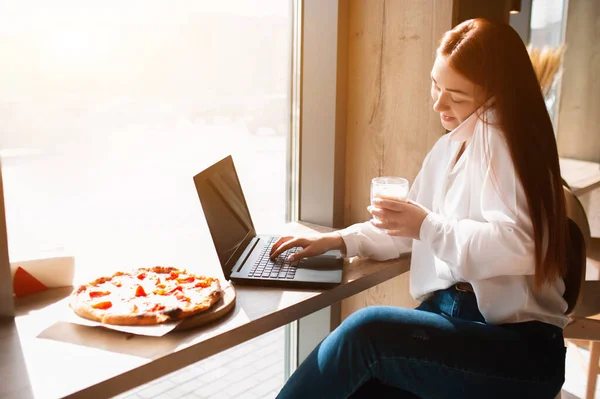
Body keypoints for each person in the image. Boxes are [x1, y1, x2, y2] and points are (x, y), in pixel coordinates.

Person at [270, 18, 568, 399]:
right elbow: (410, 224)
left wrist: (427, 226)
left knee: (367, 332)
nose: (438, 102)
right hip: (452, 319)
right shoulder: (450, 147)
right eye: (435, 84)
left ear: (495, 93)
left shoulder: (503, 141)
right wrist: (339, 240)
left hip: (514, 345)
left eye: (456, 96)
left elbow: (521, 245)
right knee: (359, 386)